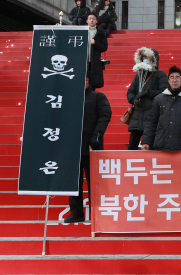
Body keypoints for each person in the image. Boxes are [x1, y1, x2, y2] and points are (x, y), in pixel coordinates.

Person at [64, 77, 112, 223]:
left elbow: (105, 115)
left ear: (89, 81)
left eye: (85, 79)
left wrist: (97, 135)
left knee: (95, 182)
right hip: (73, 148)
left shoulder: (98, 97)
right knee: (73, 182)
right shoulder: (69, 98)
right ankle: (77, 213)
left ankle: (96, 214)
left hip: (92, 146)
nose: (82, 81)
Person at [141, 66, 181, 151]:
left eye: (177, 77)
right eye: (172, 77)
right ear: (168, 80)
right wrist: (146, 142)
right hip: (162, 144)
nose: (175, 80)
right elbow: (151, 122)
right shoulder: (159, 99)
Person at [126, 47, 169, 150]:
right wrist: (133, 99)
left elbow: (165, 92)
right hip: (137, 116)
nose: (145, 59)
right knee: (132, 146)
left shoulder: (160, 74)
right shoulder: (138, 75)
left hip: (152, 116)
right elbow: (130, 92)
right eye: (144, 57)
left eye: (148, 57)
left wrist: (148, 93)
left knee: (152, 146)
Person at [86, 13, 108, 89]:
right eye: (90, 18)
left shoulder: (101, 32)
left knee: (92, 85)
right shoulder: (82, 31)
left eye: (93, 19)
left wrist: (95, 43)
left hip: (94, 62)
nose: (92, 20)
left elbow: (104, 47)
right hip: (83, 62)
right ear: (87, 21)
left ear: (96, 21)